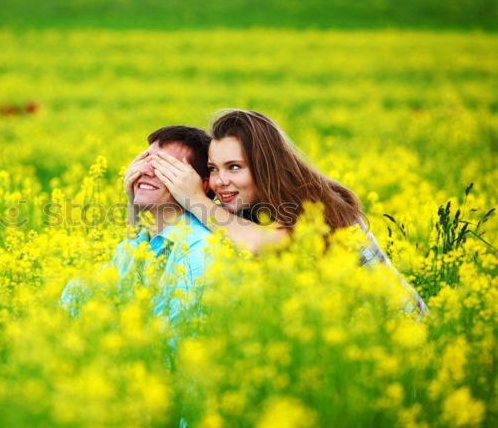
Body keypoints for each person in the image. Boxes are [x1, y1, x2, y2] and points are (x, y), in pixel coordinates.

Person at [149, 109, 427, 317]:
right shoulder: (238, 213)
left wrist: (196, 199)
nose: (221, 181)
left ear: (264, 166)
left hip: (401, 336)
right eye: (213, 168)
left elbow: (260, 244)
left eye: (234, 167)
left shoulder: (315, 208)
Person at [62, 125, 214, 326]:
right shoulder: (138, 244)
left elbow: (178, 336)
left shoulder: (200, 249)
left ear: (201, 185)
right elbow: (71, 303)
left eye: (164, 165)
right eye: (145, 160)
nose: (144, 171)